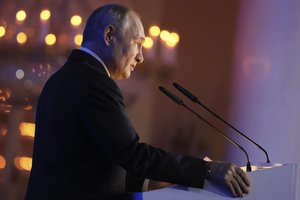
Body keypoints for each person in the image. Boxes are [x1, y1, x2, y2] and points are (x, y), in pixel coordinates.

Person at [25, 3, 250, 199]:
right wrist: (208, 170)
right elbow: (132, 154)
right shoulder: (94, 82)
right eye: (137, 43)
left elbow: (85, 164)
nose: (141, 57)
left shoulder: (63, 78)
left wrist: (147, 183)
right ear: (109, 35)